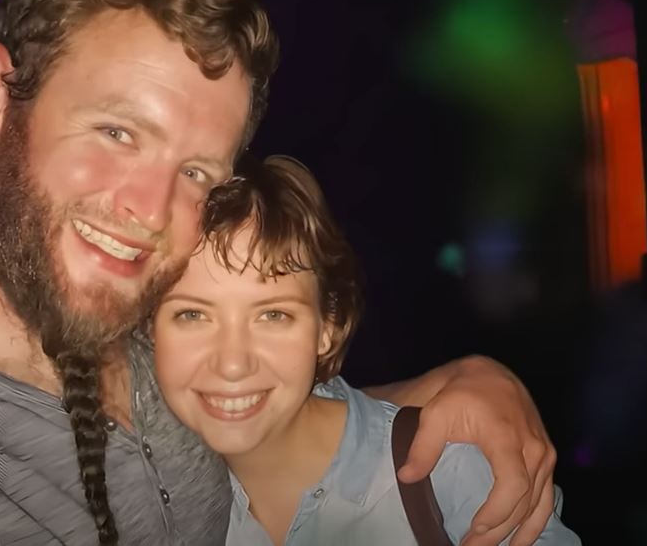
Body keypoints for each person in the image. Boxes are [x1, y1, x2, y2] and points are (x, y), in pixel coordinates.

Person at [0, 0, 555, 546]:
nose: (152, 207)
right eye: (117, 131)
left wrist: (443, 393)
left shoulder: (152, 338)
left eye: (197, 171)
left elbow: (262, 404)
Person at [152, 155, 580, 546]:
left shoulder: (448, 473)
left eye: (273, 316)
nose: (231, 362)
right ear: (148, 331)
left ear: (328, 327)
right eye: (192, 315)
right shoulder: (147, 499)